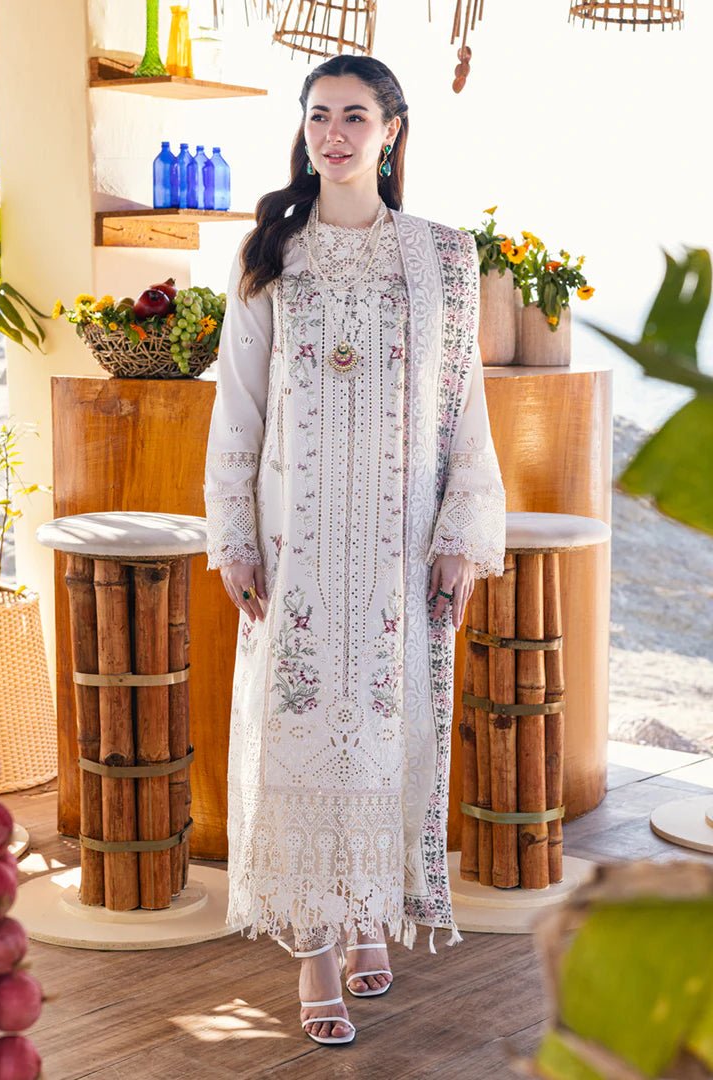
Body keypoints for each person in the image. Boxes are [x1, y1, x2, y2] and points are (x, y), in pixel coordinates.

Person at [204, 53, 506, 1047]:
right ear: (305, 130)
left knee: (385, 738)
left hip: (393, 553)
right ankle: (318, 952)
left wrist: (461, 536)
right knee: (297, 736)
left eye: (355, 116)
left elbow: (465, 411)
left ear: (391, 132)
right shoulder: (270, 258)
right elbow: (237, 410)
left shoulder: (441, 259)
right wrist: (234, 539)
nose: (334, 133)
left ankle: (375, 908)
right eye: (320, 115)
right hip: (296, 555)